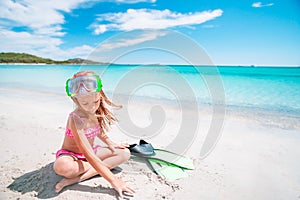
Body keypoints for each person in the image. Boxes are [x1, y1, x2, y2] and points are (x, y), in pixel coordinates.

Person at [53, 71, 135, 198]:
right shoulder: (75, 119)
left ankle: (76, 179)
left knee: (124, 153)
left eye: (95, 102)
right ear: (76, 100)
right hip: (73, 156)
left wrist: (112, 145)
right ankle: (98, 167)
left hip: (91, 153)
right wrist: (114, 180)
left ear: (100, 96)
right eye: (85, 103)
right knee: (62, 167)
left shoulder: (94, 113)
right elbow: (88, 153)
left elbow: (99, 132)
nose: (91, 107)